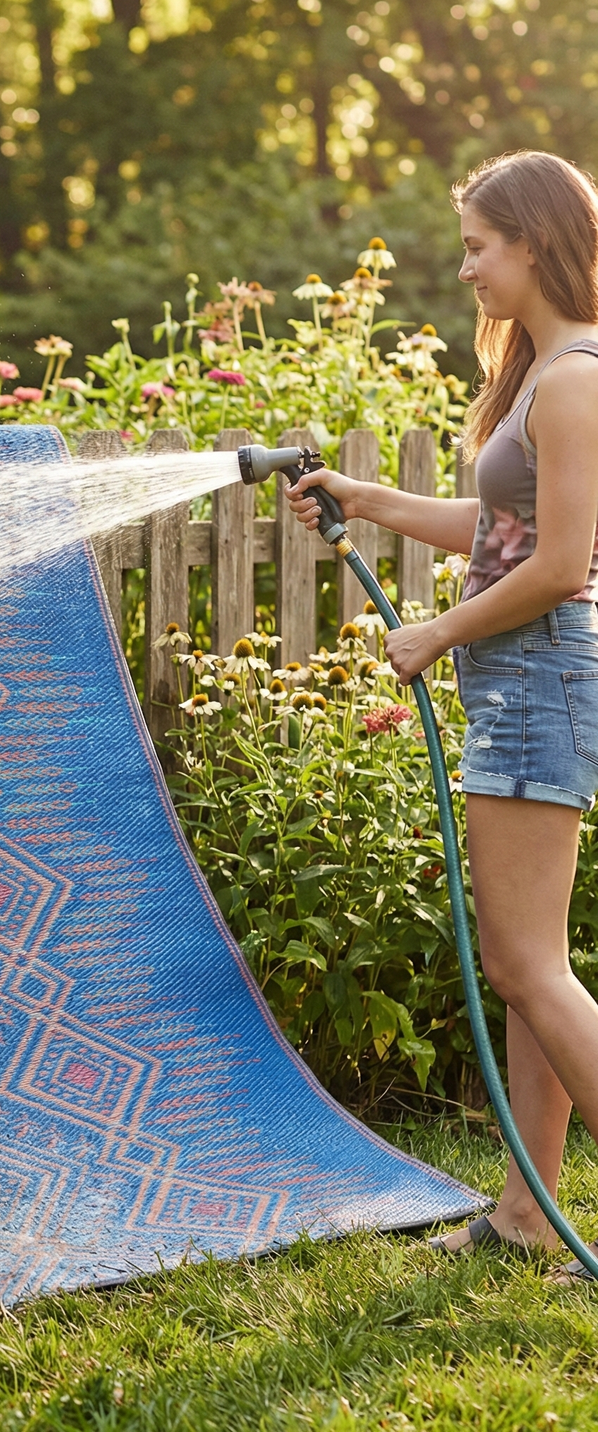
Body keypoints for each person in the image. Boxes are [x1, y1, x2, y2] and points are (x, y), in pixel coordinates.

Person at [285, 150, 598, 1277]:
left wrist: (434, 631)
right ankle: (523, 1212)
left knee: (525, 966)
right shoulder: (549, 372)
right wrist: (364, 498)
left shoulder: (572, 377)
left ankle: (531, 1210)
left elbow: (562, 564)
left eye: (477, 244)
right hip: (528, 678)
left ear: (533, 242)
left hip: (538, 672)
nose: (465, 266)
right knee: (529, 966)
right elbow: (502, 526)